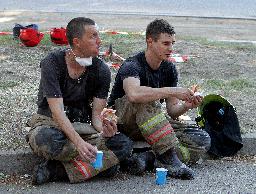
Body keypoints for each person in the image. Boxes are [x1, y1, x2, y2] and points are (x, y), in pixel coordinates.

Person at [26, 17, 133, 185]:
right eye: (93, 36)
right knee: (45, 139)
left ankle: (56, 170)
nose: (99, 41)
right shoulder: (52, 63)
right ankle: (97, 166)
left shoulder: (102, 70)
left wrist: (105, 130)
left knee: (123, 144)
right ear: (76, 41)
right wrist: (79, 144)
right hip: (51, 124)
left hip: (82, 127)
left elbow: (97, 116)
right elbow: (57, 112)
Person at [108, 19, 211, 179]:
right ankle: (169, 158)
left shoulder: (169, 69)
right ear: (150, 41)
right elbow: (134, 94)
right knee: (147, 98)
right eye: (165, 43)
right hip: (123, 123)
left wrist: (187, 105)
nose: (171, 49)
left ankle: (150, 159)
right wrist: (172, 91)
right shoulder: (132, 65)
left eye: (172, 43)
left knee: (201, 140)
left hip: (151, 123)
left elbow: (172, 111)